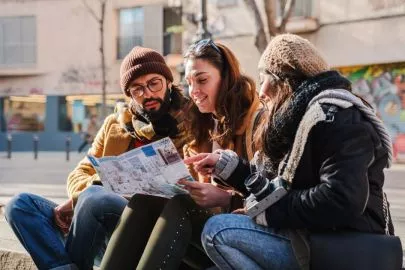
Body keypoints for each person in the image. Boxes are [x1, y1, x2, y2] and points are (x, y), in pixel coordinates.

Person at [188, 34, 395, 270]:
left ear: (284, 80)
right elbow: (274, 186)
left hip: (337, 243)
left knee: (217, 231)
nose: (261, 91)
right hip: (308, 234)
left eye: (264, 77)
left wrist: (270, 211)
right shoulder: (297, 119)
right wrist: (230, 168)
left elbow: (341, 199)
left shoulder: (336, 116)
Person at [5, 46, 193, 270]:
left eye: (154, 83)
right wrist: (80, 198)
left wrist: (94, 191)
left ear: (168, 82)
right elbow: (80, 173)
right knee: (20, 205)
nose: (148, 94)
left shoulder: (190, 123)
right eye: (137, 89)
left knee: (95, 197)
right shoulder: (115, 125)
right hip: (98, 229)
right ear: (129, 94)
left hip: (148, 227)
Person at [99, 39, 262, 269]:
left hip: (246, 234)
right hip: (209, 227)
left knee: (179, 206)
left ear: (226, 77)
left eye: (202, 80)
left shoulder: (258, 122)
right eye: (189, 82)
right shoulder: (202, 125)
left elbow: (276, 196)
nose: (194, 91)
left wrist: (226, 198)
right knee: (144, 199)